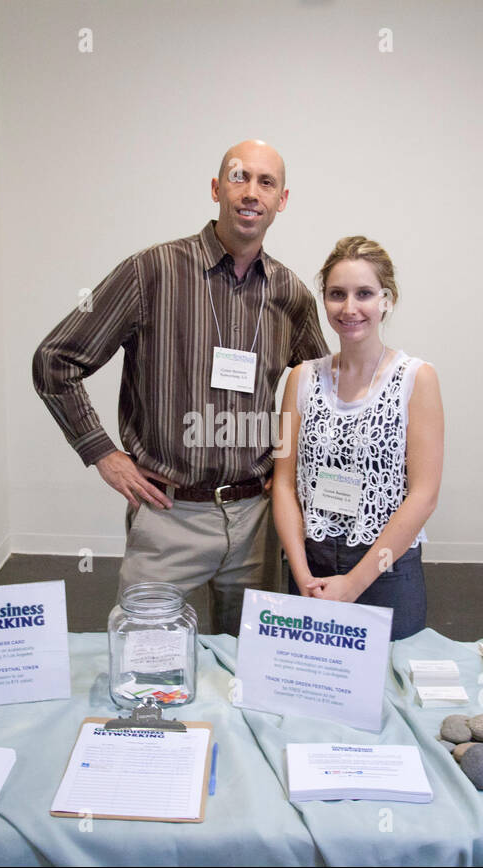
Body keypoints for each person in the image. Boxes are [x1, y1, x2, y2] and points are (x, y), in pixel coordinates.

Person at [33, 140, 329, 636]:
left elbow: (323, 397)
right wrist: (102, 452)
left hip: (256, 518)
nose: (251, 192)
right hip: (168, 515)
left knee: (246, 672)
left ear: (282, 200)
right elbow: (54, 360)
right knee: (145, 668)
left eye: (266, 182)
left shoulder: (290, 294)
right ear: (217, 188)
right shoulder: (151, 271)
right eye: (239, 177)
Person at [272, 237, 444, 640]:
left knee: (389, 691)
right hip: (310, 565)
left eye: (364, 294)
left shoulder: (417, 379)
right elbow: (282, 483)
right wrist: (302, 576)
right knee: (311, 691)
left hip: (386, 570)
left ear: (387, 299)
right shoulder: (300, 378)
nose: (349, 308)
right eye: (337, 295)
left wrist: (353, 584)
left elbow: (424, 495)